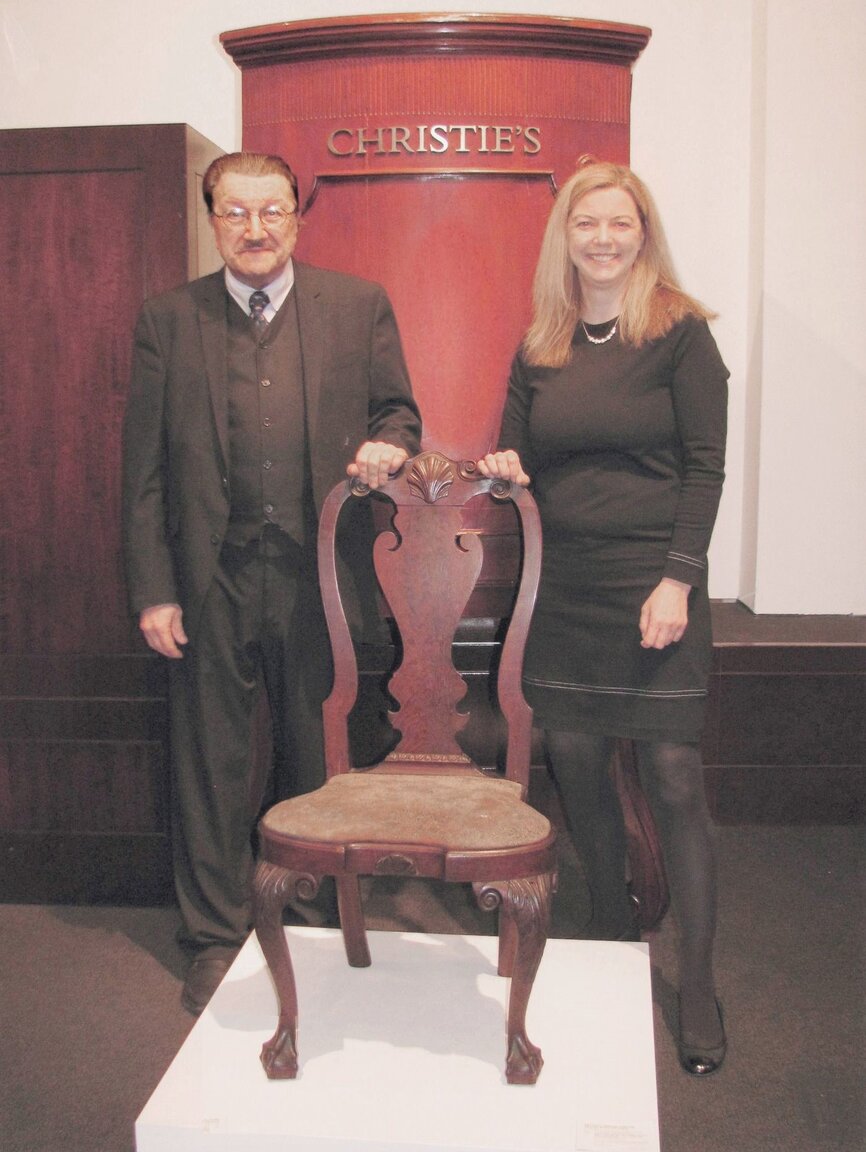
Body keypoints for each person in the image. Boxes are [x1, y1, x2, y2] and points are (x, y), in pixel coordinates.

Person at [122, 151, 421, 1015]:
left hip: (318, 575)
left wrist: (391, 444)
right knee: (209, 764)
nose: (255, 229)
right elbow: (143, 470)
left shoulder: (357, 305)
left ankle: (312, 922)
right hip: (207, 579)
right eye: (235, 212)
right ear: (212, 219)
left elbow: (398, 412)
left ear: (297, 217)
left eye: (272, 211)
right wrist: (153, 589)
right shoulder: (167, 320)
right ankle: (215, 938)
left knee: (315, 757)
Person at [478, 156, 729, 1075]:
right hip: (567, 585)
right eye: (587, 224)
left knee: (672, 775)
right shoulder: (541, 342)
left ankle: (695, 983)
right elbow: (515, 454)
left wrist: (678, 579)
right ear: (567, 238)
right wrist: (504, 470)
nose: (604, 238)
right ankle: (611, 926)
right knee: (575, 757)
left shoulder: (681, 333)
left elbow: (705, 467)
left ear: (643, 234)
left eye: (621, 222)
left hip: (654, 583)